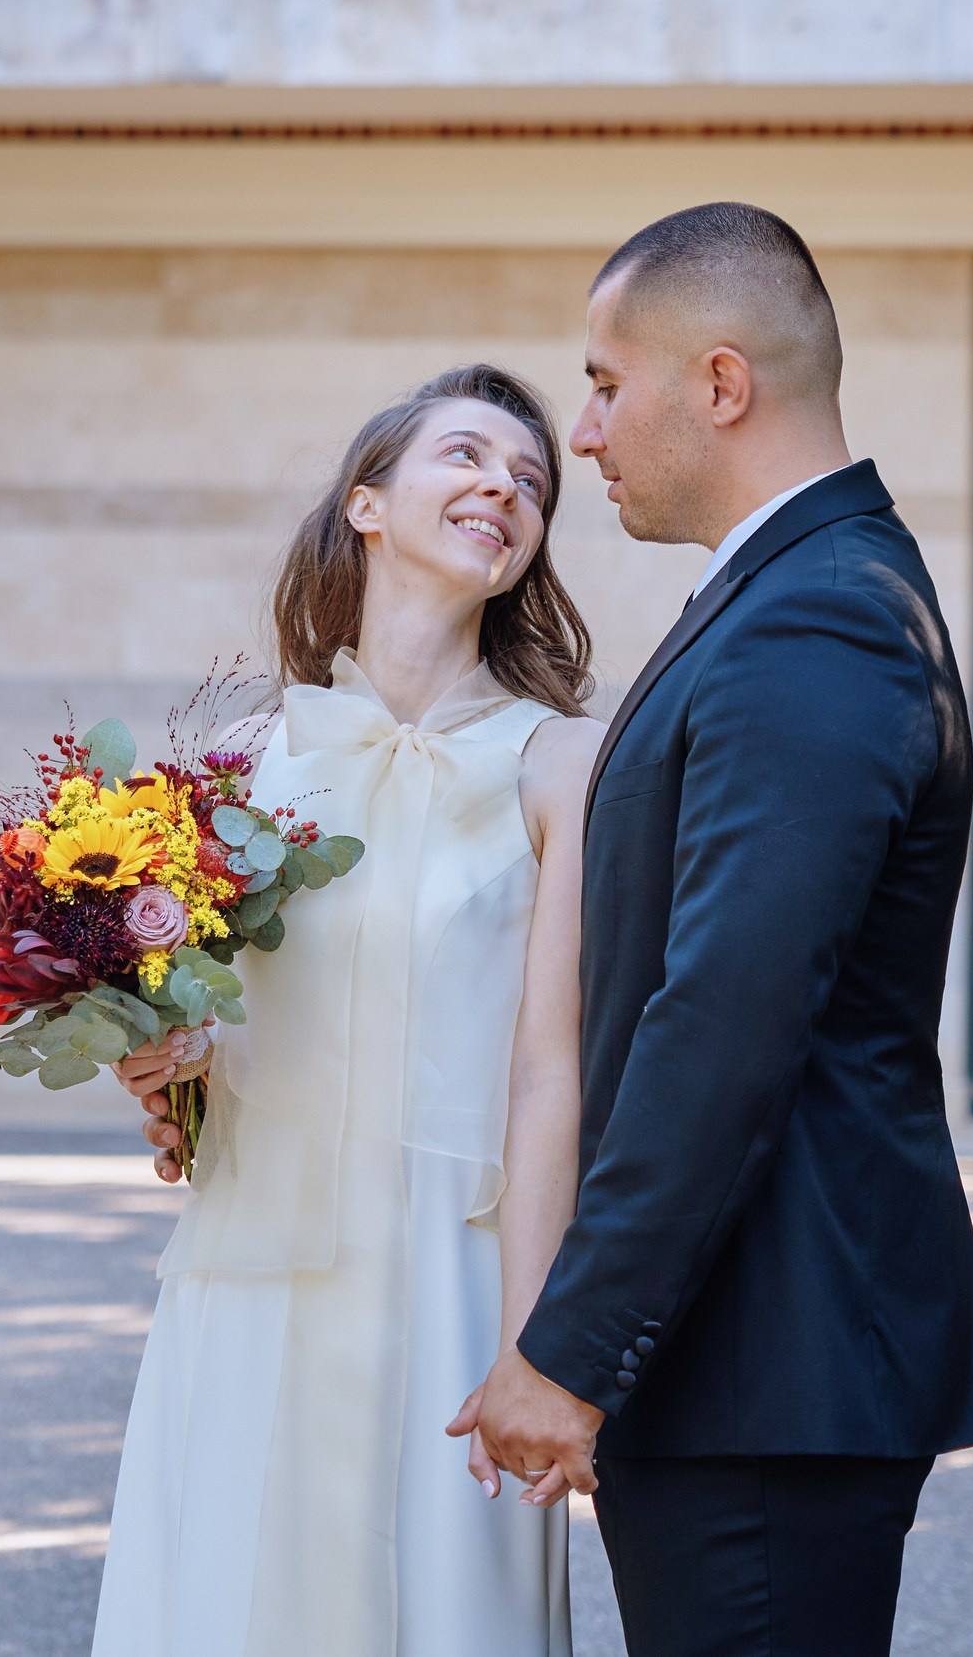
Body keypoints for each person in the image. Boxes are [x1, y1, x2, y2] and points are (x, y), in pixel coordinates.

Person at [453, 202, 973, 1656]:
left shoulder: (820, 617)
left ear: (720, 383)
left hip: (774, 1363)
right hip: (742, 1367)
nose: (581, 433)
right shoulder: (791, 593)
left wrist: (571, 1353)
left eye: (602, 381)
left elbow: (724, 1019)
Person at [91, 364, 606, 1656]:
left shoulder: (563, 763)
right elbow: (209, 1051)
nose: (505, 485)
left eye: (532, 480)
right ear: (367, 505)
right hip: (252, 1260)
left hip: (456, 1266)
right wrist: (164, 1068)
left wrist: (538, 1343)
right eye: (469, 456)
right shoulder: (235, 775)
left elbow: (555, 1074)